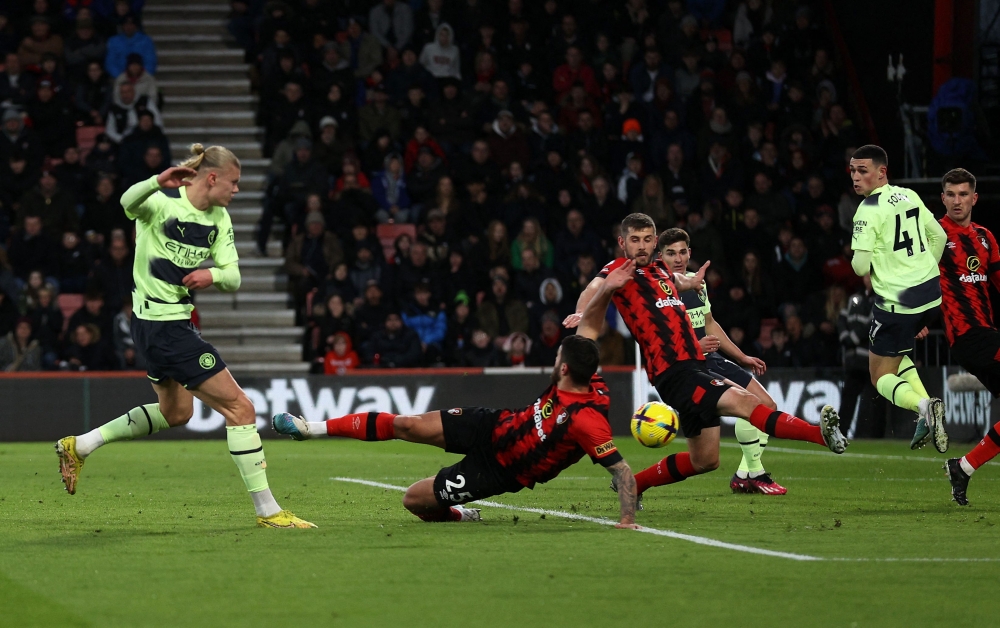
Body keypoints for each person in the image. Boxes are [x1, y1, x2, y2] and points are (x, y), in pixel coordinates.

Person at [55, 144, 314, 529]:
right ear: (213, 178)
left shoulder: (219, 219)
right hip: (163, 327)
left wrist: (212, 275)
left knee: (177, 412)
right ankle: (268, 511)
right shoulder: (161, 203)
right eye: (234, 182)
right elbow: (127, 202)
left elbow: (233, 275)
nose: (237, 190)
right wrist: (156, 180)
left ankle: (83, 444)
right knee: (241, 409)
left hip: (165, 326)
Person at [272, 288, 640, 528]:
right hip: (493, 425)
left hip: (499, 471)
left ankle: (461, 513)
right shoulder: (586, 374)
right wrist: (606, 287)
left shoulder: (587, 420)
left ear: (562, 369)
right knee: (408, 424)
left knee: (413, 501)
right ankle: (310, 428)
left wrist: (626, 519)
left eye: (557, 356)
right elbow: (589, 330)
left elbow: (622, 470)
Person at [566, 213, 847, 507]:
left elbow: (675, 280)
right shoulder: (618, 270)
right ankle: (819, 434)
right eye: (635, 240)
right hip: (675, 371)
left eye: (648, 239)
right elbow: (593, 289)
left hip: (693, 367)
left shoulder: (660, 271)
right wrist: (582, 311)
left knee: (705, 460)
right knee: (750, 403)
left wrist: (691, 282)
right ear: (622, 242)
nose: (641, 246)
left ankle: (633, 486)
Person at [657, 228, 786, 495]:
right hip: (690, 369)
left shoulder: (696, 283)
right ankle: (750, 475)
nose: (678, 258)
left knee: (767, 404)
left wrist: (742, 356)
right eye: (671, 253)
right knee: (706, 458)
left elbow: (710, 323)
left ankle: (748, 473)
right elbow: (658, 342)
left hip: (712, 359)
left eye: (682, 252)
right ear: (661, 257)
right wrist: (695, 346)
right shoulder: (658, 292)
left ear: (690, 253)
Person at [849, 144, 948, 452]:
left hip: (898, 304)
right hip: (931, 296)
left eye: (862, 171)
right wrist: (920, 274)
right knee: (898, 354)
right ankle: (929, 413)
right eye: (852, 171)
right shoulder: (909, 195)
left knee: (879, 375)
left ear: (881, 172)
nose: (855, 177)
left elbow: (860, 267)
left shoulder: (867, 211)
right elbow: (940, 237)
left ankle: (923, 406)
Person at [936, 169, 1000, 505]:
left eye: (964, 194)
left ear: (974, 198)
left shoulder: (986, 238)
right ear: (943, 198)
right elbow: (914, 280)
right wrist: (914, 318)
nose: (957, 200)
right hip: (966, 335)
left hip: (987, 333)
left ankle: (964, 466)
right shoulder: (933, 236)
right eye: (951, 194)